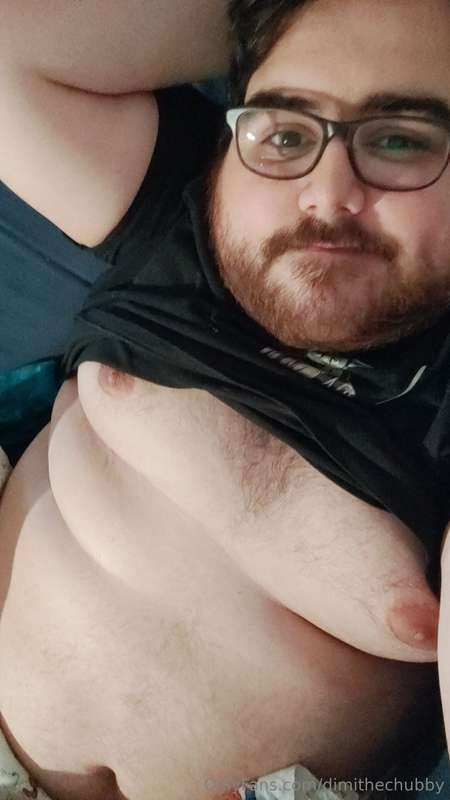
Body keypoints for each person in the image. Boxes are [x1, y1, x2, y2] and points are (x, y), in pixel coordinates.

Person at [1, 0, 450, 797]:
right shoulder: (179, 221)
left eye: (399, 141)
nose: (327, 193)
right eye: (285, 134)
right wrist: (279, 17)